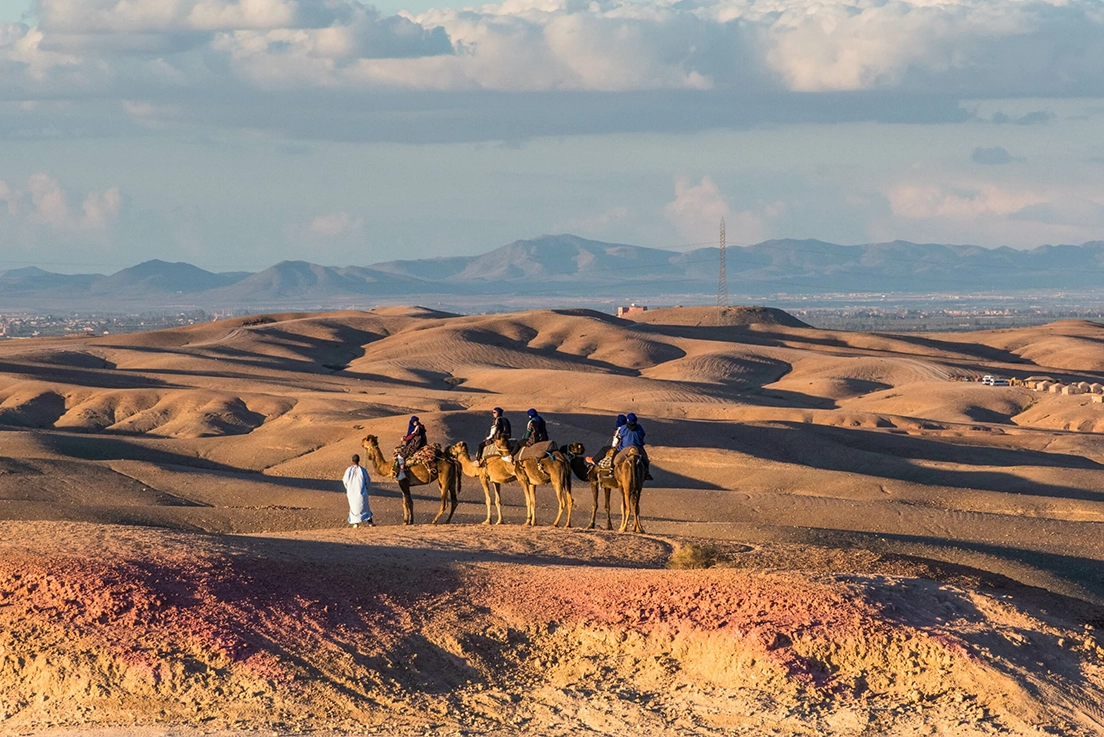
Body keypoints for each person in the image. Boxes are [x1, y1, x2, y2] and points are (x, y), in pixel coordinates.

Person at [617, 412, 652, 480]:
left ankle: (612, 470)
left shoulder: (624, 427)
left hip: (625, 448)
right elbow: (642, 435)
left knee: (616, 460)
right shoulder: (639, 427)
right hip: (638, 448)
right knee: (645, 460)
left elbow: (620, 435)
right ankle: (647, 473)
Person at [343, 453, 374, 528]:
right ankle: (369, 522)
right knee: (364, 507)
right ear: (358, 460)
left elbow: (345, 481)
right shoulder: (362, 470)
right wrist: (366, 487)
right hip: (362, 492)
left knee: (355, 508)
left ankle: (356, 523)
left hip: (352, 493)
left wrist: (348, 488)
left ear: (352, 460)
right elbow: (367, 480)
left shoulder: (348, 470)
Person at [394, 415, 427, 480]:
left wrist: (405, 439)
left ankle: (402, 473)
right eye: (414, 421)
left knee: (400, 456)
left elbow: (412, 436)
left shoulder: (417, 427)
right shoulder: (419, 427)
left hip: (414, 446)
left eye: (416, 421)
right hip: (417, 445)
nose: (416, 422)